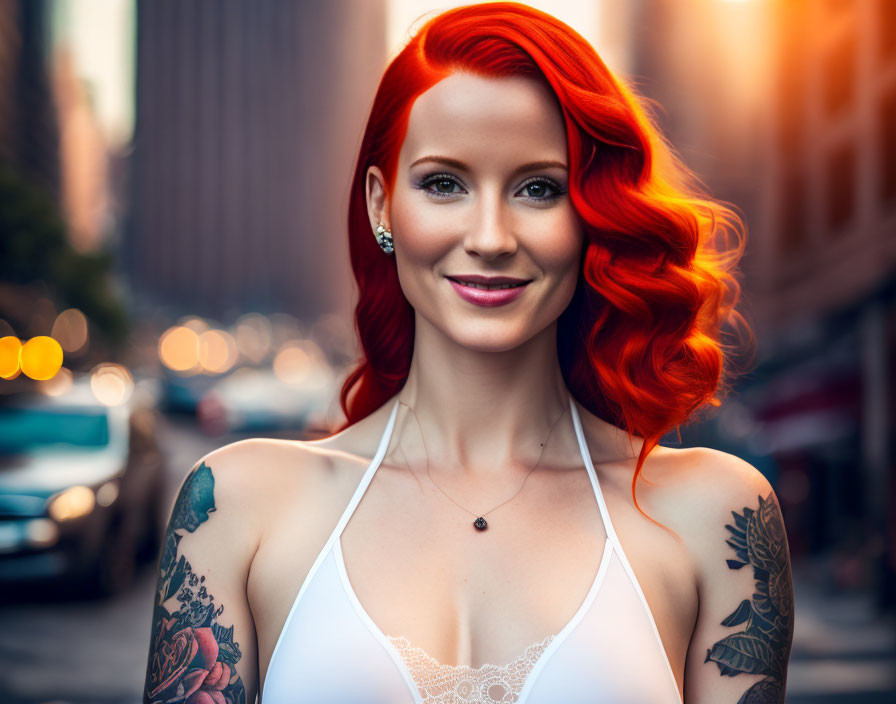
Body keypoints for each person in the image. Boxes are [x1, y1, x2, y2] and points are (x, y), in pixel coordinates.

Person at [142, 3, 794, 703]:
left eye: (538, 188)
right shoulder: (235, 507)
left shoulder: (716, 517)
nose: (489, 236)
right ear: (381, 207)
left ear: (589, 214)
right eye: (444, 183)